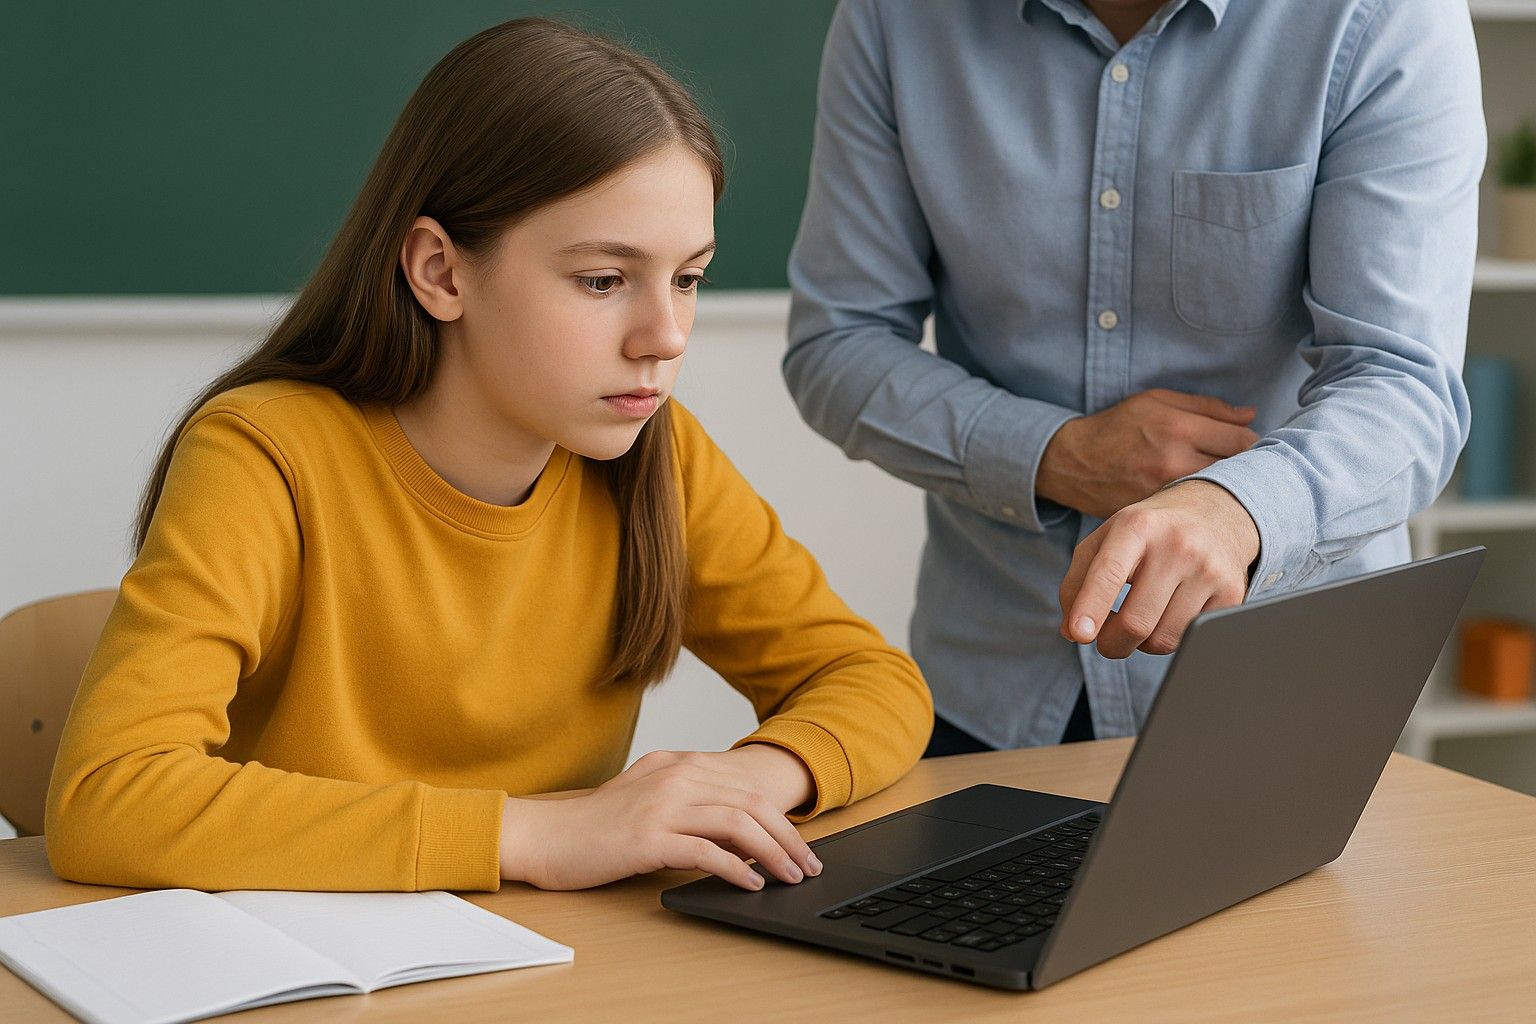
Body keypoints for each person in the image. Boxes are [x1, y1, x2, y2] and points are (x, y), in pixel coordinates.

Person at [45, 18, 932, 894]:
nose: (664, 336)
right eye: (602, 280)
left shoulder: (656, 455)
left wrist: (743, 785)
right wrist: (540, 833)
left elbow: (871, 680)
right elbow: (108, 797)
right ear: (441, 272)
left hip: (548, 959)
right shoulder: (267, 453)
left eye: (688, 278)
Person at [784, 0, 1483, 755]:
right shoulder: (896, 18)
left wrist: (1236, 510)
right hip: (991, 685)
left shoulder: (1382, 17)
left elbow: (1403, 382)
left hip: (1286, 685)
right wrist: (1055, 454)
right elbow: (838, 341)